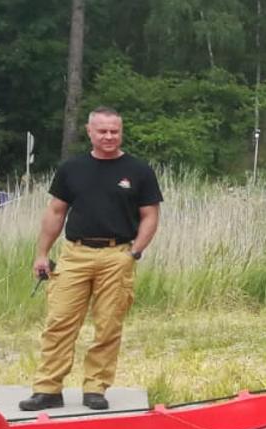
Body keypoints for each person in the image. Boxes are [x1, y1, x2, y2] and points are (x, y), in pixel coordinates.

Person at [20, 107, 162, 412]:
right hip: (75, 254)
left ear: (121, 132)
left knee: (108, 325)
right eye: (103, 131)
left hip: (117, 254)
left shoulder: (138, 170)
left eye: (115, 131)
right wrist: (42, 254)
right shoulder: (72, 168)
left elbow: (150, 215)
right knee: (59, 321)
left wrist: (134, 251)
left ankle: (95, 388)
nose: (109, 137)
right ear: (90, 132)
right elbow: (56, 212)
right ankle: (48, 389)